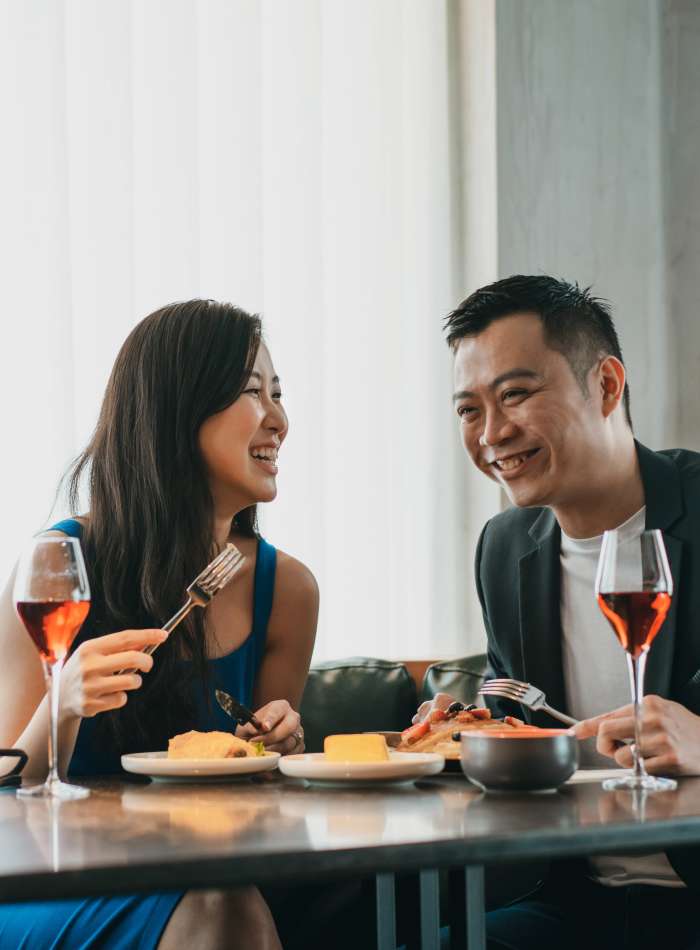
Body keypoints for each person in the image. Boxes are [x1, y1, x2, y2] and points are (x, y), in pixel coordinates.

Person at [0, 299, 319, 949]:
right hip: (53, 888)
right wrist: (63, 702)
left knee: (229, 903)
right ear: (178, 409)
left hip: (206, 872)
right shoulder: (60, 568)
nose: (279, 419)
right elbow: (7, 787)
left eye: (279, 394)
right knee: (223, 912)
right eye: (252, 392)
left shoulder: (286, 590)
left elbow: (258, 800)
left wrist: (275, 750)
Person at [415, 275, 700, 950]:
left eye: (515, 393)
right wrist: (466, 734)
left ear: (605, 386)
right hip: (575, 904)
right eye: (468, 409)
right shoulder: (505, 548)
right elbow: (525, 722)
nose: (491, 434)